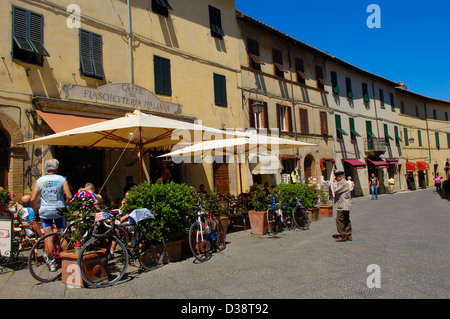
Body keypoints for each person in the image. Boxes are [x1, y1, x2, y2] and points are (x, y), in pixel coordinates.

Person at [30, 159, 72, 257]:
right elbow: (69, 197)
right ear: (57, 167)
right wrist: (67, 206)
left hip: (45, 210)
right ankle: (66, 258)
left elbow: (32, 199)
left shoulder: (40, 180)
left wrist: (36, 210)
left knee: (48, 236)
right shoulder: (62, 179)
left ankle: (51, 261)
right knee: (62, 233)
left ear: (46, 168)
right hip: (59, 209)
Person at [333, 171, 352, 242]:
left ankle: (343, 235)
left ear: (340, 177)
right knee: (346, 219)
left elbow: (336, 190)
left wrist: (334, 183)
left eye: (337, 177)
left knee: (339, 220)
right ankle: (348, 235)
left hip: (342, 205)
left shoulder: (343, 183)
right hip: (344, 204)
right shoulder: (343, 183)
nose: (336, 179)